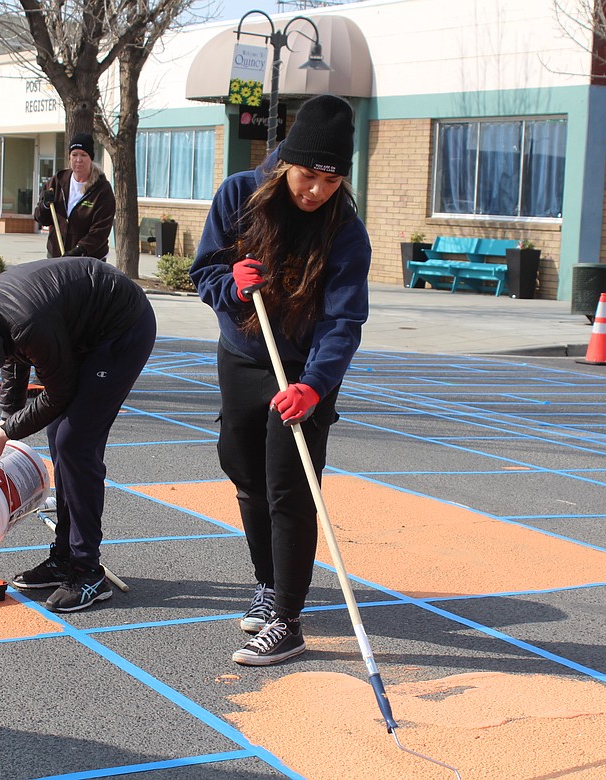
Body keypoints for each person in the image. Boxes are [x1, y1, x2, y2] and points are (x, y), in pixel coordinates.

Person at [189, 94, 371, 666]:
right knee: (243, 470)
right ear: (286, 161)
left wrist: (314, 386)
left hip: (303, 368)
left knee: (290, 485)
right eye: (308, 175)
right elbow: (205, 270)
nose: (316, 190)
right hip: (243, 353)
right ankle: (268, 586)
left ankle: (288, 620)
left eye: (331, 180)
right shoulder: (239, 196)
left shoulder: (345, 232)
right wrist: (231, 282)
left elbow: (344, 321)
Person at [0, 257, 156, 612]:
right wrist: (7, 419)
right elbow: (14, 357)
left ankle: (87, 570)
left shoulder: (28, 322)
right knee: (57, 434)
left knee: (75, 442)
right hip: (77, 329)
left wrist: (8, 430)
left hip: (121, 329)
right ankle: (64, 557)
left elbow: (58, 392)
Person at [34, 133, 116, 260]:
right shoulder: (58, 182)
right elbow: (41, 219)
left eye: (83, 155)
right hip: (56, 255)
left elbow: (100, 231)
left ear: (91, 158)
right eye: (74, 154)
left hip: (88, 259)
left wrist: (79, 250)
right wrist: (45, 205)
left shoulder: (102, 190)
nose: (78, 160)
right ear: (69, 157)